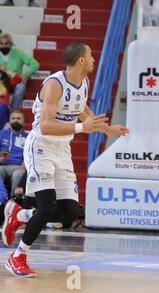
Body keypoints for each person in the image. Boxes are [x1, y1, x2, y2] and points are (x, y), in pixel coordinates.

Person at [1, 42, 129, 277]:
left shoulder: (84, 82)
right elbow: (47, 126)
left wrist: (107, 129)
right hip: (40, 147)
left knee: (69, 211)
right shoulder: (53, 84)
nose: (93, 59)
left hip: (62, 150)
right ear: (81, 60)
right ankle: (17, 256)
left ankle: (19, 215)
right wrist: (82, 127)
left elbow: (81, 108)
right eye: (90, 55)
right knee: (47, 205)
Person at [0, 33, 39, 110]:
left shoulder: (18, 53)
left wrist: (25, 75)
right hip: (1, 84)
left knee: (21, 87)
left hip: (16, 82)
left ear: (11, 44)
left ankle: (13, 111)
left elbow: (34, 64)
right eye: (1, 44)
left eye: (6, 43)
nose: (4, 46)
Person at [0, 111, 28, 196]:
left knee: (18, 174)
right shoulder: (2, 134)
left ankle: (13, 199)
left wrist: (24, 164)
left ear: (23, 121)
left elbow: (29, 155)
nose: (16, 120)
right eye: (13, 118)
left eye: (19, 118)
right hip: (3, 165)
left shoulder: (28, 137)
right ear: (9, 120)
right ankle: (2, 196)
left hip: (18, 167)